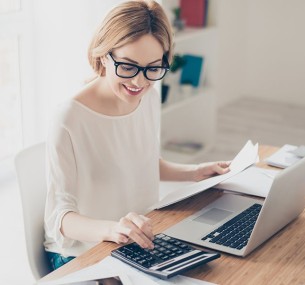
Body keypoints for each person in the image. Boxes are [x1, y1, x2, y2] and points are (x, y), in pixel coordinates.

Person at [44, 0, 230, 271]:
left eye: (153, 68)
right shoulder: (69, 117)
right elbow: (58, 218)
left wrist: (195, 172)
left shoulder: (148, 99)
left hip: (138, 244)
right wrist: (113, 229)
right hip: (83, 253)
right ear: (104, 55)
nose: (139, 82)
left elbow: (143, 163)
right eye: (128, 67)